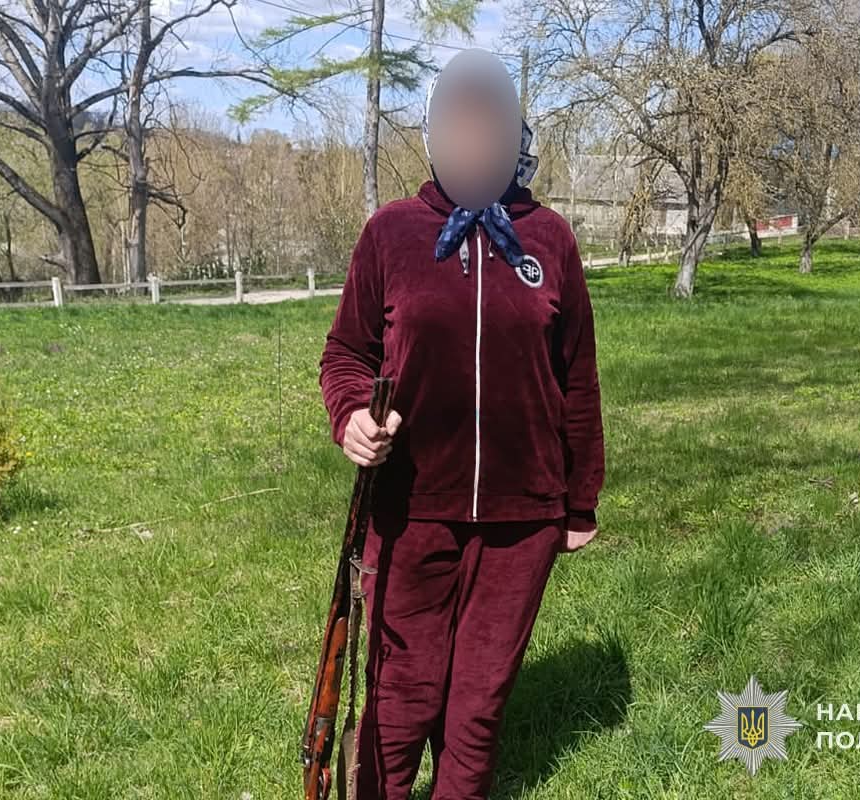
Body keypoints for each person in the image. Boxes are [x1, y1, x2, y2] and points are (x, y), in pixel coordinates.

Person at [317, 48, 605, 800]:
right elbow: (346, 352)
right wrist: (351, 415)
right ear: (433, 132)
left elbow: (577, 378)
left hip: (524, 517)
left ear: (515, 135)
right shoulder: (391, 233)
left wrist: (579, 502)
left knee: (476, 711)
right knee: (399, 701)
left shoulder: (551, 240)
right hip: (409, 510)